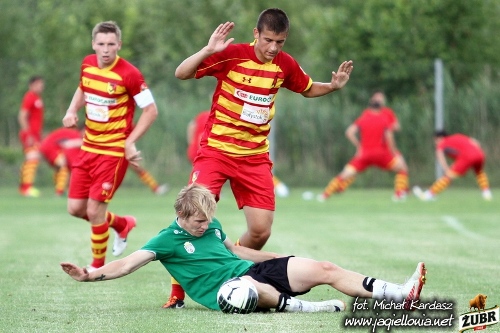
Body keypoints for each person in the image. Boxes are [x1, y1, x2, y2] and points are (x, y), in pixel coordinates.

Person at [165, 8, 354, 308]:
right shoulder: (232, 55)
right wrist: (208, 49)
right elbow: (181, 73)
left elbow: (307, 88)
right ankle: (177, 294)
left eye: (280, 42)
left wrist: (331, 86)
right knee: (193, 215)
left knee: (261, 230)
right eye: (268, 40)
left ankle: (233, 271)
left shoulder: (284, 64)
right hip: (216, 151)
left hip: (254, 158)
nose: (273, 48)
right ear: (256, 34)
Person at [61, 183, 427, 313]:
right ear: (180, 215)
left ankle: (401, 294)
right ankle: (306, 309)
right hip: (226, 292)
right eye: (198, 222)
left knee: (324, 268)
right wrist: (89, 275)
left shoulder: (212, 224)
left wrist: (282, 259)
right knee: (245, 291)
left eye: (209, 220)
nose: (206, 226)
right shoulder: (165, 241)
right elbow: (126, 264)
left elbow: (239, 253)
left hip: (249, 272)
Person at [62, 21, 158, 271]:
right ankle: (121, 224)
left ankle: (96, 267)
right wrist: (72, 110)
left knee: (94, 210)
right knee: (75, 208)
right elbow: (83, 89)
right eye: (101, 44)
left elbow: (150, 111)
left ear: (119, 45)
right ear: (94, 44)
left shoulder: (130, 74)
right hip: (88, 148)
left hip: (113, 152)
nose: (106, 49)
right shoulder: (87, 64)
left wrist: (130, 142)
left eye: (111, 44)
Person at [318, 92, 409, 201]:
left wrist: (359, 146)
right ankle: (399, 195)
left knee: (346, 173)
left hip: (364, 154)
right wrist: (393, 151)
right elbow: (389, 136)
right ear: (380, 107)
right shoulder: (384, 118)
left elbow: (349, 132)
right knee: (402, 168)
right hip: (381, 153)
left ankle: (325, 195)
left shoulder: (364, 117)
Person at [40, 127, 168, 197]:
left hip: (117, 147)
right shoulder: (79, 139)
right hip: (110, 153)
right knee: (64, 166)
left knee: (135, 166)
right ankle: (61, 192)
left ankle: (155, 188)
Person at [413, 130, 492, 201]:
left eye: (435, 140)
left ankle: (429, 195)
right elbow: (475, 142)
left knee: (448, 176)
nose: (436, 143)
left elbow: (439, 154)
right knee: (479, 173)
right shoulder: (458, 136)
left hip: (467, 156)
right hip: (480, 154)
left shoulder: (443, 143)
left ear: (439, 138)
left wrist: (446, 169)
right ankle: (486, 193)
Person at [18, 75, 45, 197]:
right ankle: (27, 188)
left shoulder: (37, 98)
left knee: (31, 159)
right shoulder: (29, 97)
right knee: (32, 158)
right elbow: (22, 116)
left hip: (35, 134)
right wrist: (28, 134)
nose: (41, 86)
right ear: (31, 85)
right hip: (30, 134)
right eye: (38, 84)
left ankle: (23, 187)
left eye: (41, 84)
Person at [39, 127, 83, 196]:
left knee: (62, 168)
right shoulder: (76, 135)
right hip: (50, 147)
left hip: (48, 146)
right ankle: (59, 191)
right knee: (63, 165)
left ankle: (62, 189)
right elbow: (69, 145)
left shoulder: (72, 133)